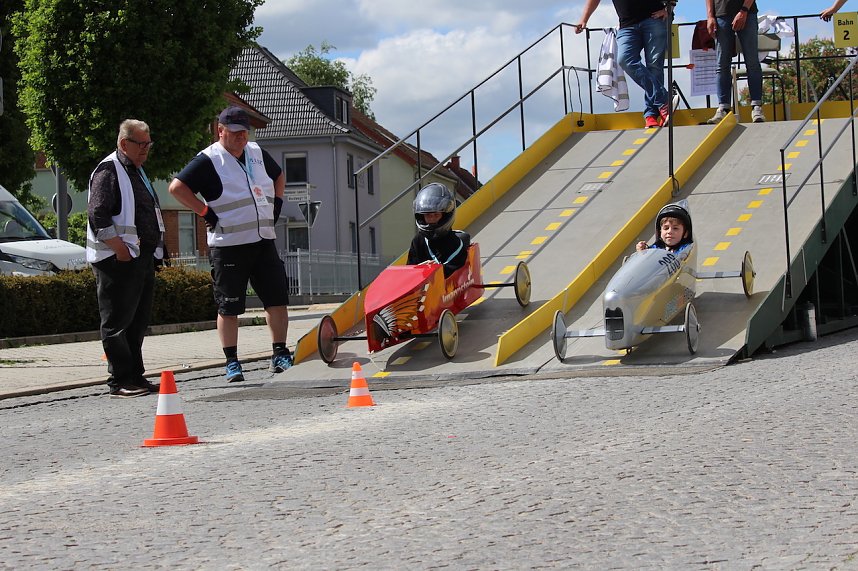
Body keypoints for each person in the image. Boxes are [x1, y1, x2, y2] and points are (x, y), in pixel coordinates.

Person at [168, 106, 290, 383]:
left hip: (263, 240)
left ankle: (280, 353)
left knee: (277, 300)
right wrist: (204, 212)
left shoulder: (257, 153)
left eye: (244, 132)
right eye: (234, 133)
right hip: (230, 245)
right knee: (229, 306)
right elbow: (177, 188)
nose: (241, 138)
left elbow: (279, 176)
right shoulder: (209, 160)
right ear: (220, 130)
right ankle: (232, 362)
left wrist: (278, 203)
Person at [86, 119, 166, 398]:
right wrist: (119, 248)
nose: (146, 149)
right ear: (124, 144)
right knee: (117, 322)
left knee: (136, 321)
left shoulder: (135, 170)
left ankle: (135, 376)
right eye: (141, 144)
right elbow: (98, 213)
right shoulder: (110, 169)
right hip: (117, 258)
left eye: (148, 144)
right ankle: (119, 381)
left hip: (138, 257)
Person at [575, 0, 671, 128]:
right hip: (627, 25)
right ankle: (663, 100)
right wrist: (584, 19)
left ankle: (651, 114)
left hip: (653, 18)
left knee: (654, 67)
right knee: (625, 59)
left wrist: (669, 9)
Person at [706, 0, 765, 124]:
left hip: (747, 13)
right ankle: (723, 108)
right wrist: (710, 16)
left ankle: (756, 107)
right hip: (721, 14)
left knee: (752, 62)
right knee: (721, 64)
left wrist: (744, 10)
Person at [407, 183, 470, 278]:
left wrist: (432, 269)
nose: (431, 219)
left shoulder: (455, 244)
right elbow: (410, 271)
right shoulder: (418, 241)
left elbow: (450, 274)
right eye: (428, 215)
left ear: (445, 216)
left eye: (436, 215)